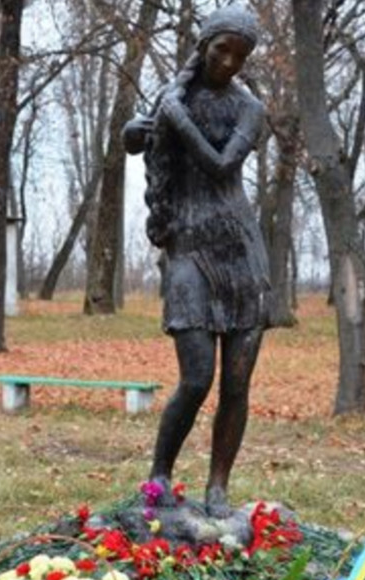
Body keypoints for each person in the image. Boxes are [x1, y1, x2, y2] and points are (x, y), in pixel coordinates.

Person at [123, 5, 272, 518]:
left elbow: (221, 165)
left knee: (236, 383)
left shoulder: (248, 109)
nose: (229, 62)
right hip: (189, 250)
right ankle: (159, 475)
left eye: (240, 56)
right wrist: (136, 130)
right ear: (204, 46)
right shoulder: (174, 97)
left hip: (243, 257)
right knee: (196, 377)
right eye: (221, 50)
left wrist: (176, 118)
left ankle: (218, 486)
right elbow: (140, 140)